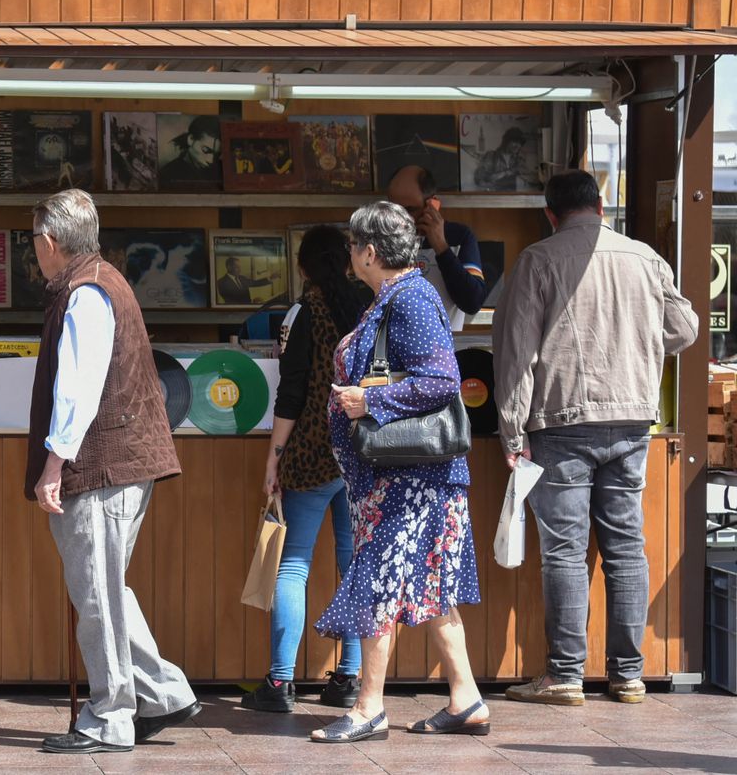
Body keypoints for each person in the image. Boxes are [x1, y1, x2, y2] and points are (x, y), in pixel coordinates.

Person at [494, 170, 697, 707]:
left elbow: (516, 354)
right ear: (602, 207)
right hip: (632, 421)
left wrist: (511, 430)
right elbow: (686, 328)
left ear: (551, 214)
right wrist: (635, 335)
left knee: (564, 551)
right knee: (626, 546)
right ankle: (627, 675)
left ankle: (564, 675)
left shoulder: (538, 259)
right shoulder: (645, 258)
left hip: (560, 421)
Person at [26, 189, 202, 754]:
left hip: (100, 465)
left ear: (50, 242)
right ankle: (163, 692)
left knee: (97, 596)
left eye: (34, 240)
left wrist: (54, 464)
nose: (34, 251)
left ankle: (110, 716)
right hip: (120, 462)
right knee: (106, 590)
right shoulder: (105, 280)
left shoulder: (85, 294)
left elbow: (78, 390)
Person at [313, 201, 486, 743]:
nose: (349, 255)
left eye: (352, 246)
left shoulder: (409, 297)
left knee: (377, 585)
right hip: (413, 479)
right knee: (431, 587)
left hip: (408, 481)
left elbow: (439, 381)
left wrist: (369, 399)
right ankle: (466, 699)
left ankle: (368, 708)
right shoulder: (397, 296)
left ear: (368, 251)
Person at [244, 226, 371, 714]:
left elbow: (291, 394)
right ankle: (350, 678)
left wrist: (273, 457)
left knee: (294, 564)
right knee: (352, 563)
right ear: (347, 261)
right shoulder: (366, 308)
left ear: (301, 268)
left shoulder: (304, 314)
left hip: (314, 454)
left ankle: (280, 684)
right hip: (360, 455)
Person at [385, 165, 488, 331]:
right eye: (394, 209)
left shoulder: (458, 237)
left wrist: (441, 247)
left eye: (410, 209)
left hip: (445, 350)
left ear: (432, 204)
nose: (400, 218)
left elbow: (472, 302)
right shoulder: (381, 239)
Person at [159, 115, 222, 190]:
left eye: (217, 154)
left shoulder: (219, 171)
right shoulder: (167, 175)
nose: (211, 160)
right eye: (205, 150)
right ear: (191, 139)